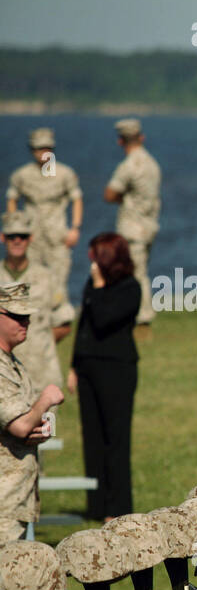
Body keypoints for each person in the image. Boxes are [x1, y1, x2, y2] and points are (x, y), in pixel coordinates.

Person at [68, 233, 141, 521]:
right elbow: (85, 325)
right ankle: (96, 506)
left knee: (116, 439)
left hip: (116, 369)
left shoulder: (130, 288)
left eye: (96, 256)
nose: (91, 263)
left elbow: (103, 319)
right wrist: (74, 366)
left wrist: (98, 287)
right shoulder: (93, 285)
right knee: (92, 437)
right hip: (87, 368)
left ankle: (118, 507)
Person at [0, 283, 63, 542]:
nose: (24, 322)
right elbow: (20, 426)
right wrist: (46, 400)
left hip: (15, 500)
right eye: (16, 316)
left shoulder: (13, 363)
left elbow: (28, 424)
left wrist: (41, 425)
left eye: (27, 316)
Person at [1, 209, 74, 397]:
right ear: (3, 238)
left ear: (31, 239)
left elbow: (64, 321)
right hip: (3, 382)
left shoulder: (47, 277)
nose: (17, 241)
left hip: (42, 377)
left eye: (23, 236)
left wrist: (40, 343)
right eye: (12, 236)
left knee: (46, 427)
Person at [6, 128, 82, 298]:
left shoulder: (64, 174)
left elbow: (77, 198)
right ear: (32, 150)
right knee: (29, 281)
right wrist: (14, 226)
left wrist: (75, 228)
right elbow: (12, 198)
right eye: (39, 148)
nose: (43, 153)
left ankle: (58, 321)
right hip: (32, 236)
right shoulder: (22, 175)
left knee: (59, 284)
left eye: (47, 148)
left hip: (57, 235)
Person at [103, 119, 161, 340]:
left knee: (136, 274)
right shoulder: (152, 164)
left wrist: (123, 197)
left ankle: (142, 319)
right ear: (142, 137)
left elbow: (109, 194)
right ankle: (136, 316)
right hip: (149, 225)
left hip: (132, 227)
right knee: (139, 272)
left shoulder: (128, 166)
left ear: (120, 141)